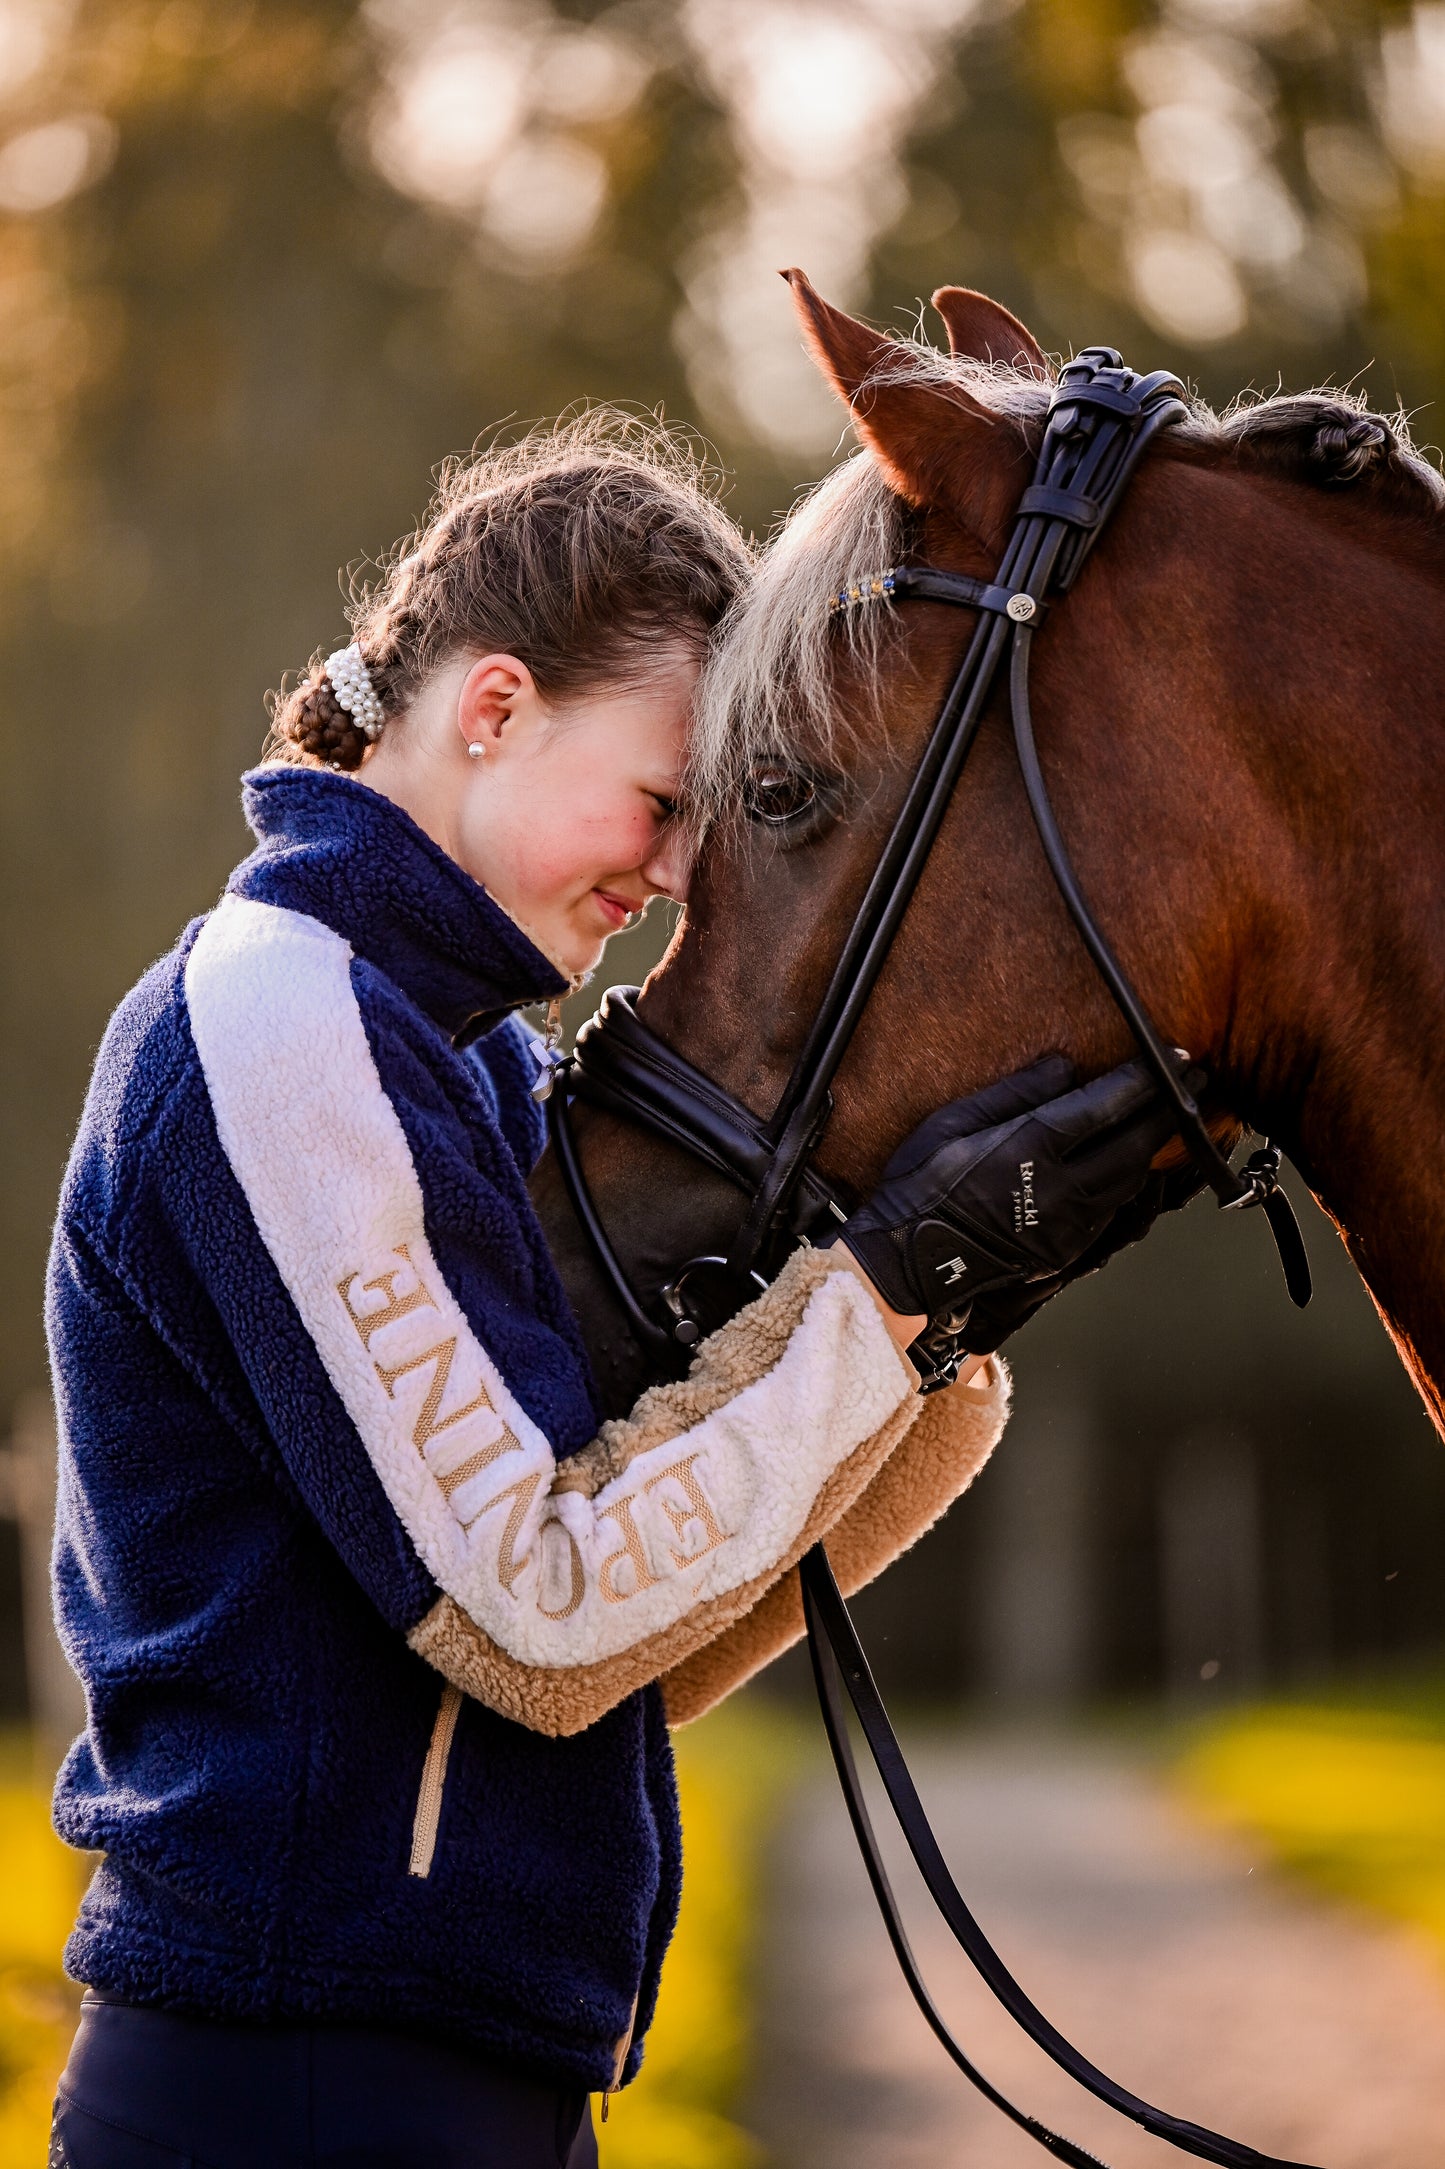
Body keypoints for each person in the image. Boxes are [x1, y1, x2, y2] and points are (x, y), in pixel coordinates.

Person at [45, 412, 1185, 2168]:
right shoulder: (278, 1019)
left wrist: (940, 1315)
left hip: (442, 2072)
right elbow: (536, 1613)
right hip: (299, 2078)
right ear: (492, 709)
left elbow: (632, 1648)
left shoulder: (458, 1056)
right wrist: (870, 1304)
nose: (670, 877)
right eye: (664, 805)